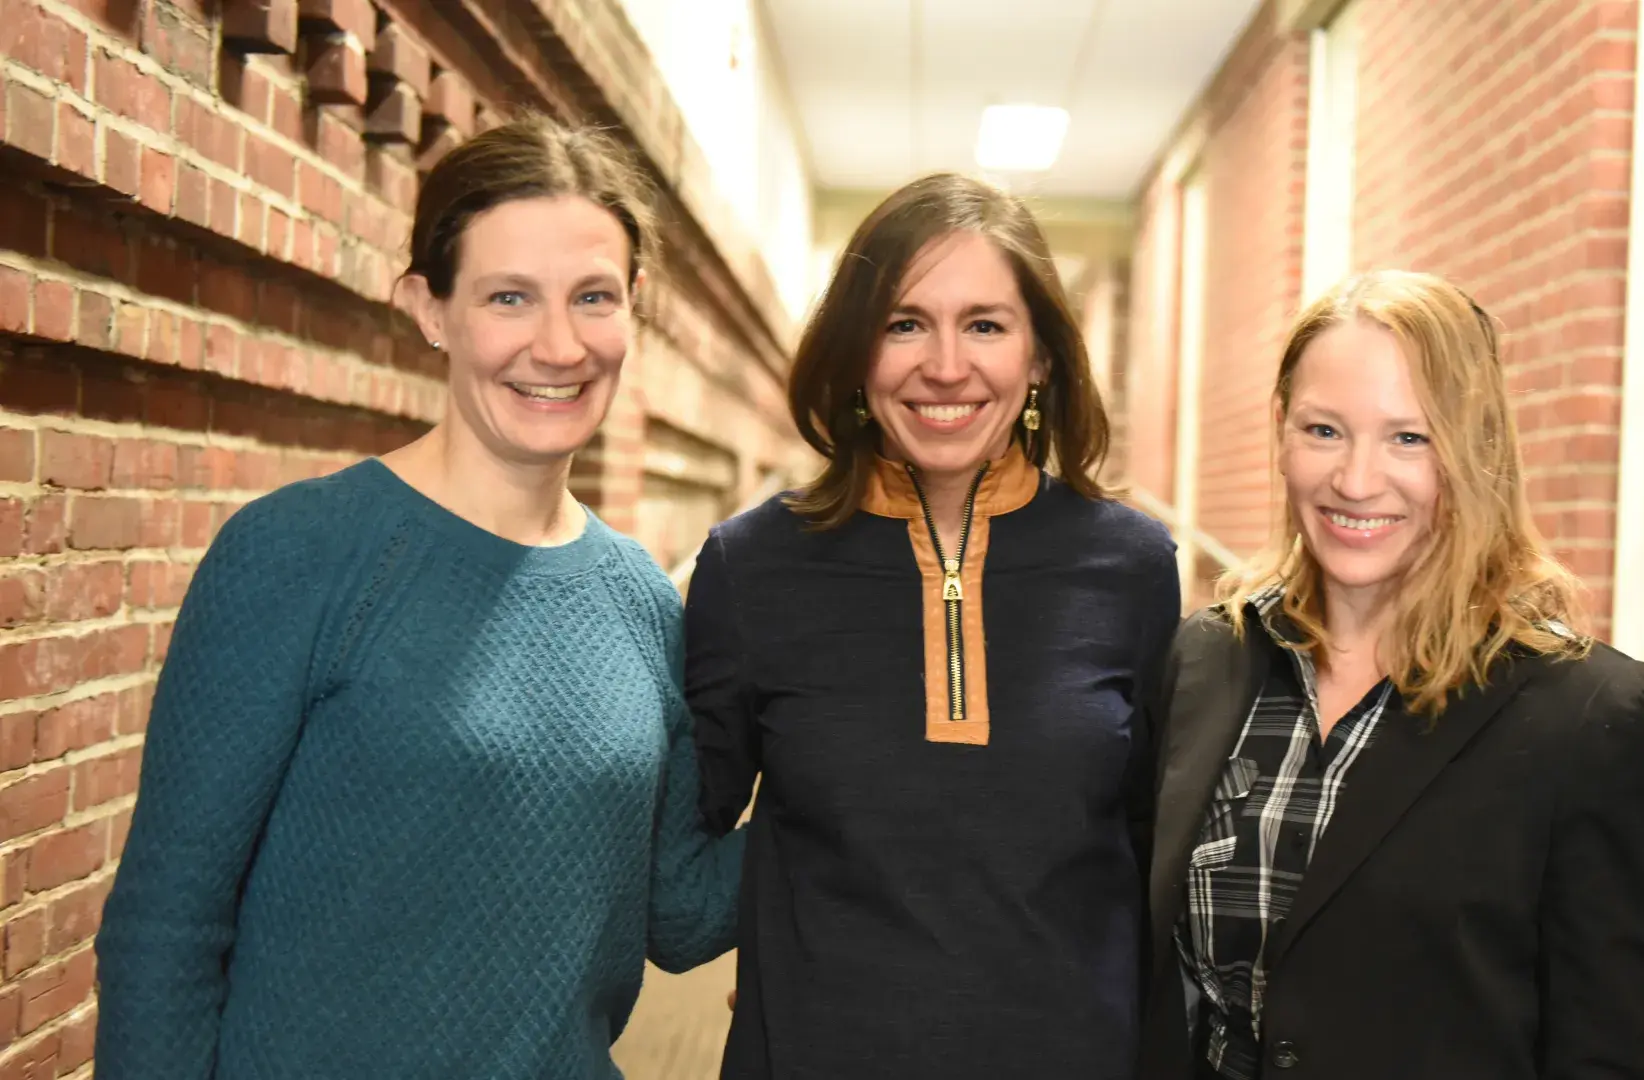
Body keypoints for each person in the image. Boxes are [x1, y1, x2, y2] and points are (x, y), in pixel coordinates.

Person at [94, 114, 741, 1079]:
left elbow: (680, 910)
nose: (558, 345)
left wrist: (877, 769)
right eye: (509, 297)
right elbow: (165, 932)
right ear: (430, 309)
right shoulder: (298, 554)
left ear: (632, 305)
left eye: (593, 297)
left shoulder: (639, 602)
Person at [1136, 270, 1644, 1079]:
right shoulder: (1206, 659)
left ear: (1476, 450)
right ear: (1281, 434)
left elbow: (1598, 1056)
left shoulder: (1597, 721)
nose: (1357, 480)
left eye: (1411, 437)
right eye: (1324, 430)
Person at [686, 173, 1181, 1079]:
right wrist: (783, 918)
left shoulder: (1135, 566)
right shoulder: (752, 565)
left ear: (1040, 357)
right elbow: (675, 858)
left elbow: (1153, 852)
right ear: (855, 353)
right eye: (904, 322)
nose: (946, 366)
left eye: (986, 325)